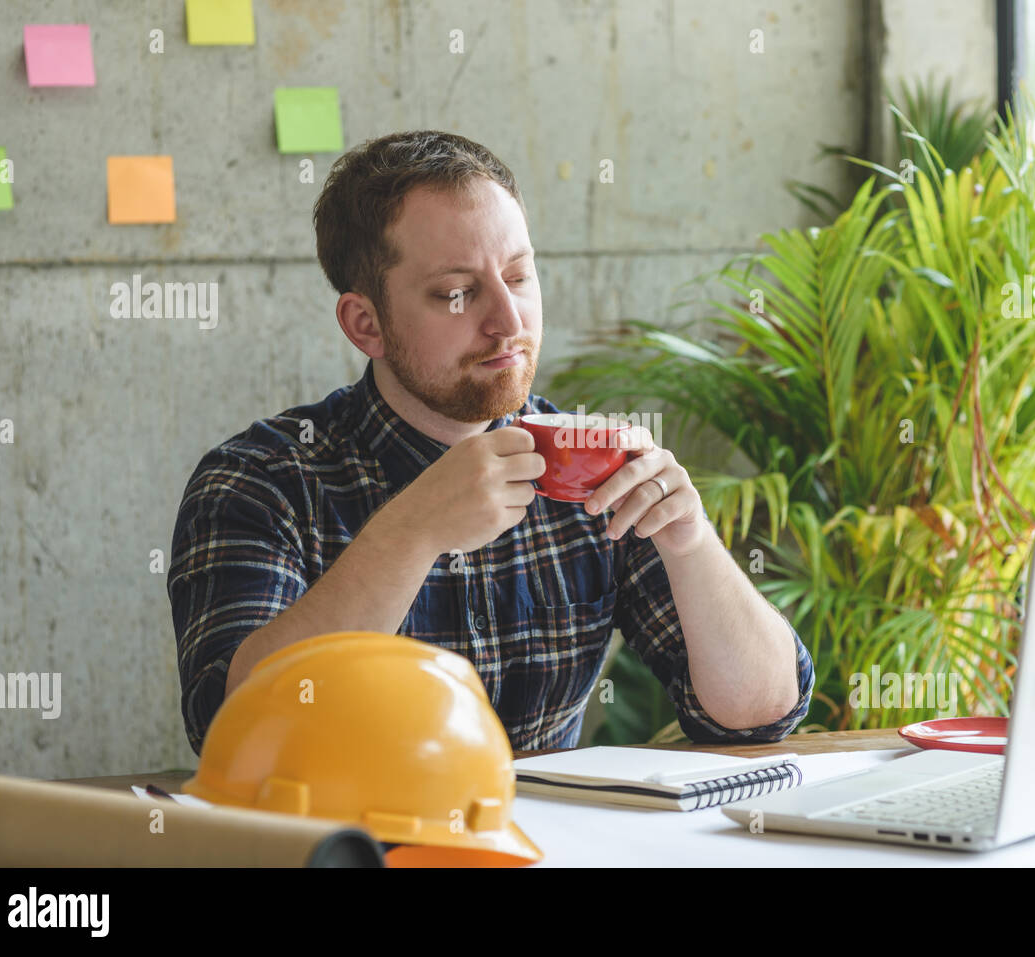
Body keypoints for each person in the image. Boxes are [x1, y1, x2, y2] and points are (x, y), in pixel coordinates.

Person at [168, 130, 814, 755]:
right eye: (457, 293)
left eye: (519, 276)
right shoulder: (259, 481)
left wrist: (691, 540)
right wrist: (409, 533)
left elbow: (755, 717)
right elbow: (235, 730)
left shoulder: (590, 467)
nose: (509, 322)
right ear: (366, 323)